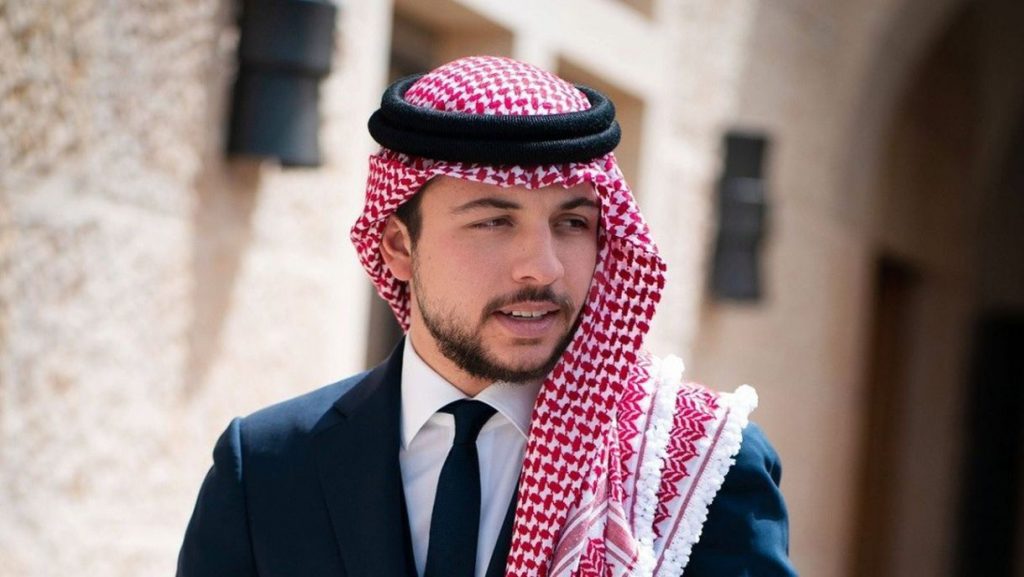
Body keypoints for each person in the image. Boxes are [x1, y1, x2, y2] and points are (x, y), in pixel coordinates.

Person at [177, 55, 797, 577]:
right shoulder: (268, 466)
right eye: (495, 221)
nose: (543, 267)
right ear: (398, 247)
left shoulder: (697, 466)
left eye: (572, 222)